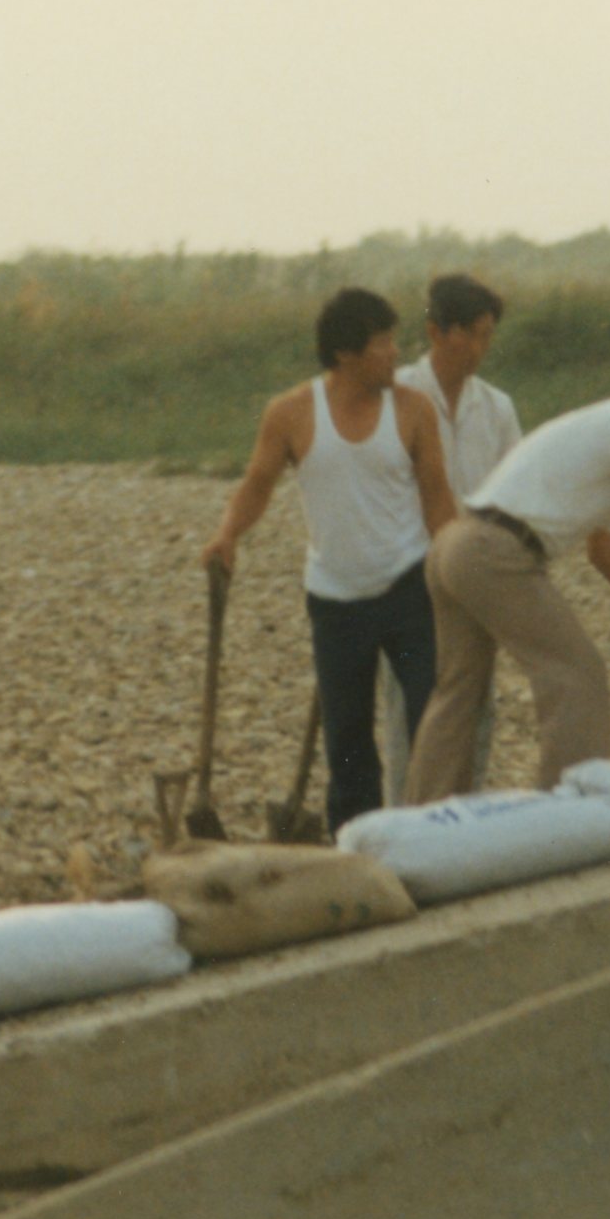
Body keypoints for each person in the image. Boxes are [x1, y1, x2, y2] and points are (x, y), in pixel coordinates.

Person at [403, 342, 610, 802]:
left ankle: (423, 820)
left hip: (455, 546)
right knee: (578, 676)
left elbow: (604, 552)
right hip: (495, 553)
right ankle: (565, 817)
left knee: (457, 693)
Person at [200, 288, 459, 831]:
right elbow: (256, 486)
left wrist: (458, 569)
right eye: (383, 343)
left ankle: (434, 829)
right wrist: (227, 535)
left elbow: (438, 499)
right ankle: (355, 841)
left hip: (410, 585)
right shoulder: (291, 413)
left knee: (430, 717)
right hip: (335, 599)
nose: (395, 353)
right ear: (345, 354)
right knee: (346, 740)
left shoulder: (413, 409)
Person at [379, 272, 525, 804]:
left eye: (490, 335)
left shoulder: (496, 407)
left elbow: (515, 491)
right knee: (409, 707)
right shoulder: (393, 396)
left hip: (475, 571)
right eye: (475, 334)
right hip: (408, 572)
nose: (482, 348)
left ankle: (467, 815)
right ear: (439, 332)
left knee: (476, 702)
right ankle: (404, 817)